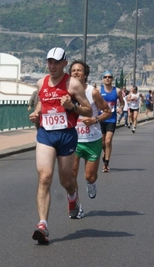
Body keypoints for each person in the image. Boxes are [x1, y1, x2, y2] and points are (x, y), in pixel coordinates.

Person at [29, 47, 92, 243]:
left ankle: (73, 196)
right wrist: (37, 112)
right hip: (46, 135)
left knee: (66, 181)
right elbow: (42, 102)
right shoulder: (41, 83)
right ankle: (43, 225)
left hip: (66, 136)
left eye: (56, 62)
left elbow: (88, 111)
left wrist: (71, 106)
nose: (52, 66)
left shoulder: (72, 85)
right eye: (49, 62)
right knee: (45, 176)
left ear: (65, 64)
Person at [69, 60, 111, 200]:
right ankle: (74, 204)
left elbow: (107, 111)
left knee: (90, 176)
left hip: (92, 138)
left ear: (85, 75)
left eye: (79, 70)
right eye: (73, 70)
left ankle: (91, 183)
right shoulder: (66, 92)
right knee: (71, 174)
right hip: (73, 139)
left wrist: (95, 119)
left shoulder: (92, 92)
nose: (75, 72)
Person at [99, 70, 125, 172]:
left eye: (109, 77)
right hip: (101, 118)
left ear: (112, 79)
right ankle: (105, 155)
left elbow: (122, 103)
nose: (107, 79)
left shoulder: (117, 91)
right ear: (103, 79)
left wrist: (120, 108)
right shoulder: (98, 90)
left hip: (111, 119)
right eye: (105, 77)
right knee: (102, 143)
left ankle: (106, 163)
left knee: (108, 141)